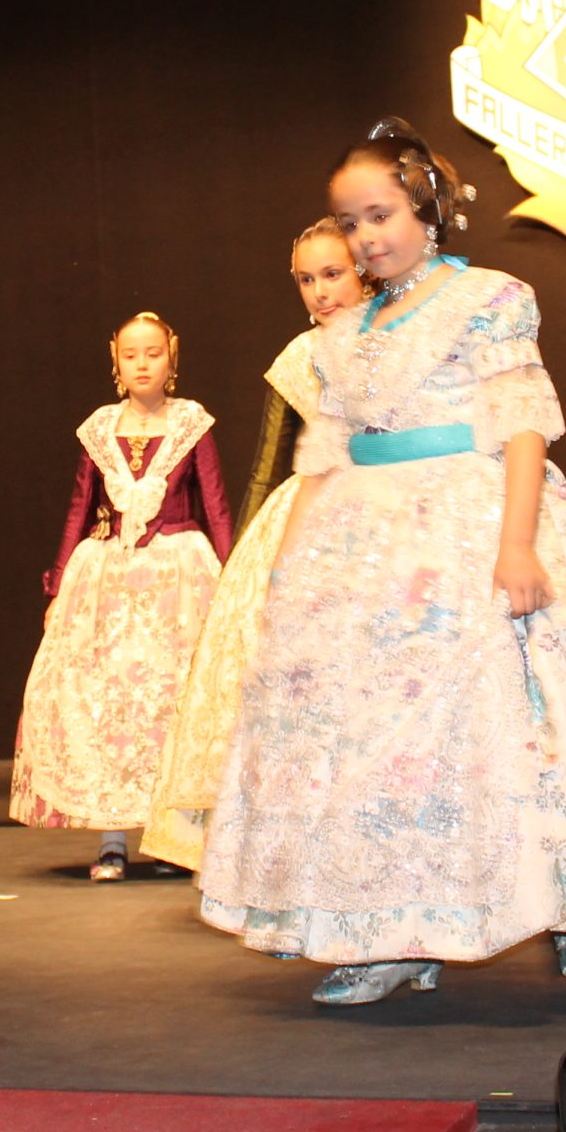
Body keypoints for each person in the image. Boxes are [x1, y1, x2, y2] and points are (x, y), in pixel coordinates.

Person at [198, 119, 566, 1003]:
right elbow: (324, 451)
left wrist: (516, 543)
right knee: (371, 741)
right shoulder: (342, 333)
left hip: (462, 526)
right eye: (351, 222)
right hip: (360, 548)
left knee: (499, 724)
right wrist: (287, 574)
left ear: (427, 208)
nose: (366, 237)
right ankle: (389, 929)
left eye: (380, 215)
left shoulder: (489, 297)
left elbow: (522, 421)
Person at [142, 221, 370, 869]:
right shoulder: (299, 358)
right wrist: (242, 565)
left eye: (333, 274)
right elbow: (269, 467)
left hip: (388, 514)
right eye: (306, 279)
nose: (320, 292)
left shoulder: (401, 342)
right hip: (305, 521)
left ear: (364, 270)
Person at [10, 312, 234, 880]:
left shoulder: (191, 424)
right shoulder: (100, 429)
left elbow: (216, 506)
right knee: (106, 703)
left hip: (177, 583)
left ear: (172, 356)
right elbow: (79, 509)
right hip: (107, 582)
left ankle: (172, 838)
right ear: (115, 359)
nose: (142, 364)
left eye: (153, 353)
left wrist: (234, 579)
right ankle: (112, 839)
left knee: (171, 701)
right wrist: (59, 583)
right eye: (131, 355)